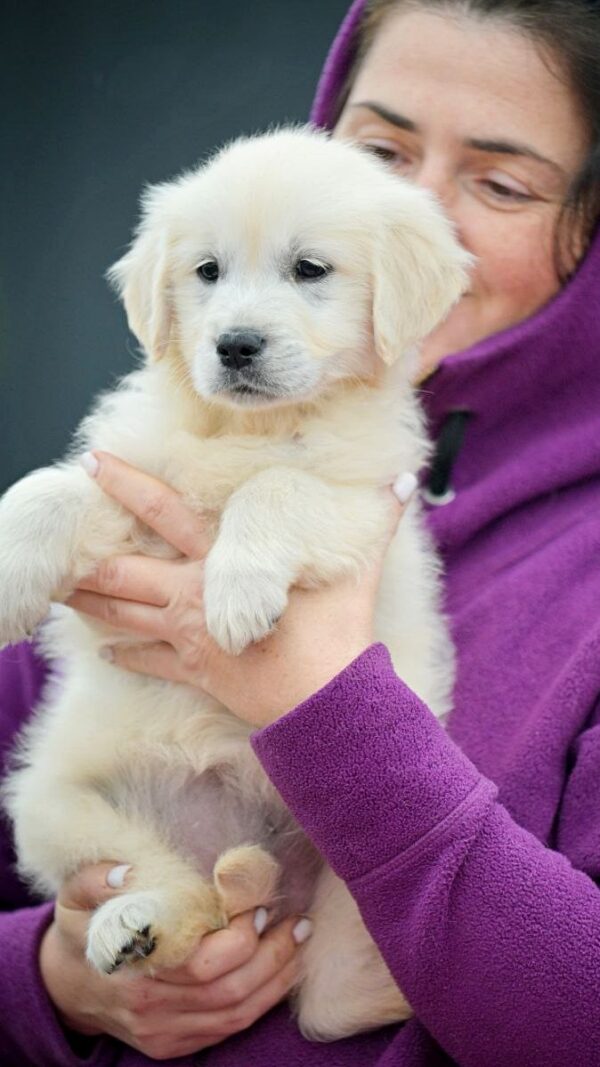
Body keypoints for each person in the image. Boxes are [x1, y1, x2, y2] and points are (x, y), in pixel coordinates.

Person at [1, 0, 600, 1062]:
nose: (411, 208)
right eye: (377, 148)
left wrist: (319, 706)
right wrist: (49, 982)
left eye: (501, 183)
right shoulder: (153, 439)